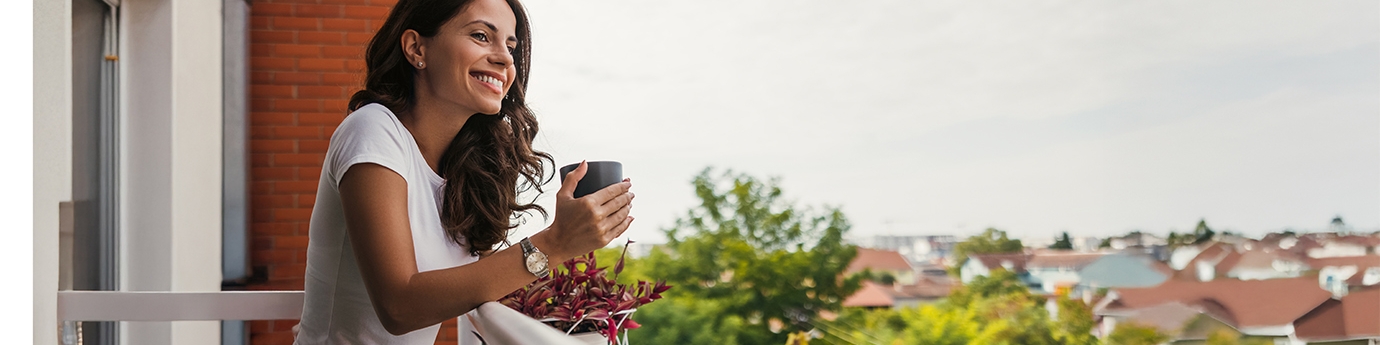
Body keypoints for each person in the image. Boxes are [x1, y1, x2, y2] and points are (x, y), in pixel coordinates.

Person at [292, 0, 635, 343]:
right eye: (482, 36)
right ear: (416, 48)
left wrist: (587, 307)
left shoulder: (463, 168)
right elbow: (398, 306)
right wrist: (555, 242)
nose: (504, 58)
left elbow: (484, 281)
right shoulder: (373, 130)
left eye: (511, 46)